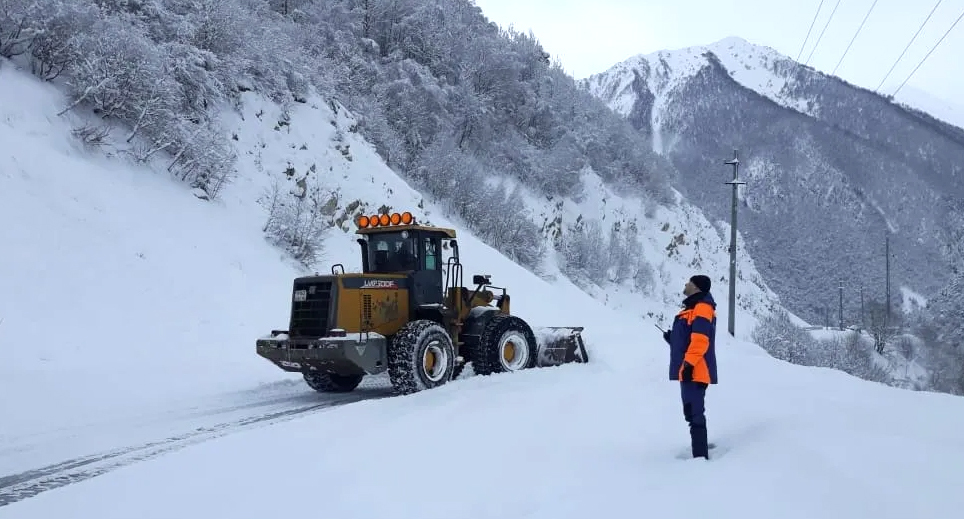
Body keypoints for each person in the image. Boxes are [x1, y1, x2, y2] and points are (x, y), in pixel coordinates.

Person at [663, 274, 718, 459]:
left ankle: (700, 458)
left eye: (689, 282)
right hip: (691, 369)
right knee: (692, 412)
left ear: (696, 287)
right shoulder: (693, 307)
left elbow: (701, 341)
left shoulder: (702, 307)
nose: (685, 284)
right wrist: (673, 339)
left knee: (694, 412)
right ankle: (700, 452)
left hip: (695, 370)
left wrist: (688, 365)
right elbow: (689, 339)